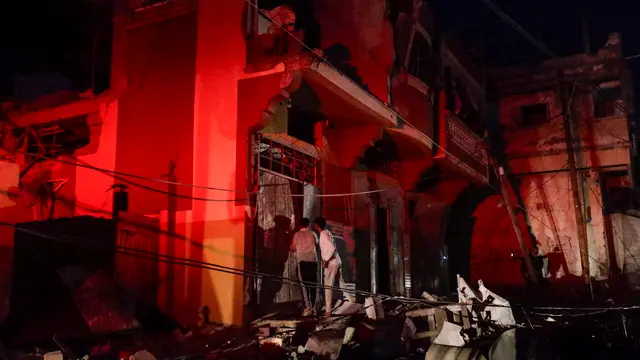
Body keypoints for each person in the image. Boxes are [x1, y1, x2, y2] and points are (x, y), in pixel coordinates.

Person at [314, 217, 355, 316]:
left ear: (317, 225)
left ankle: (328, 311)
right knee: (341, 282)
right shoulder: (328, 233)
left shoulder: (323, 235)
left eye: (315, 225)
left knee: (328, 286)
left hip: (331, 263)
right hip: (337, 261)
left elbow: (331, 248)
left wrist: (325, 261)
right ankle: (351, 300)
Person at [290, 218, 318, 316]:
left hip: (302, 262)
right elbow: (317, 244)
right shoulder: (313, 234)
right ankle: (314, 307)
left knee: (304, 286)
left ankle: (307, 307)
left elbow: (293, 248)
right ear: (308, 225)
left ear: (299, 224)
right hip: (312, 262)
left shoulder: (297, 235)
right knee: (313, 285)